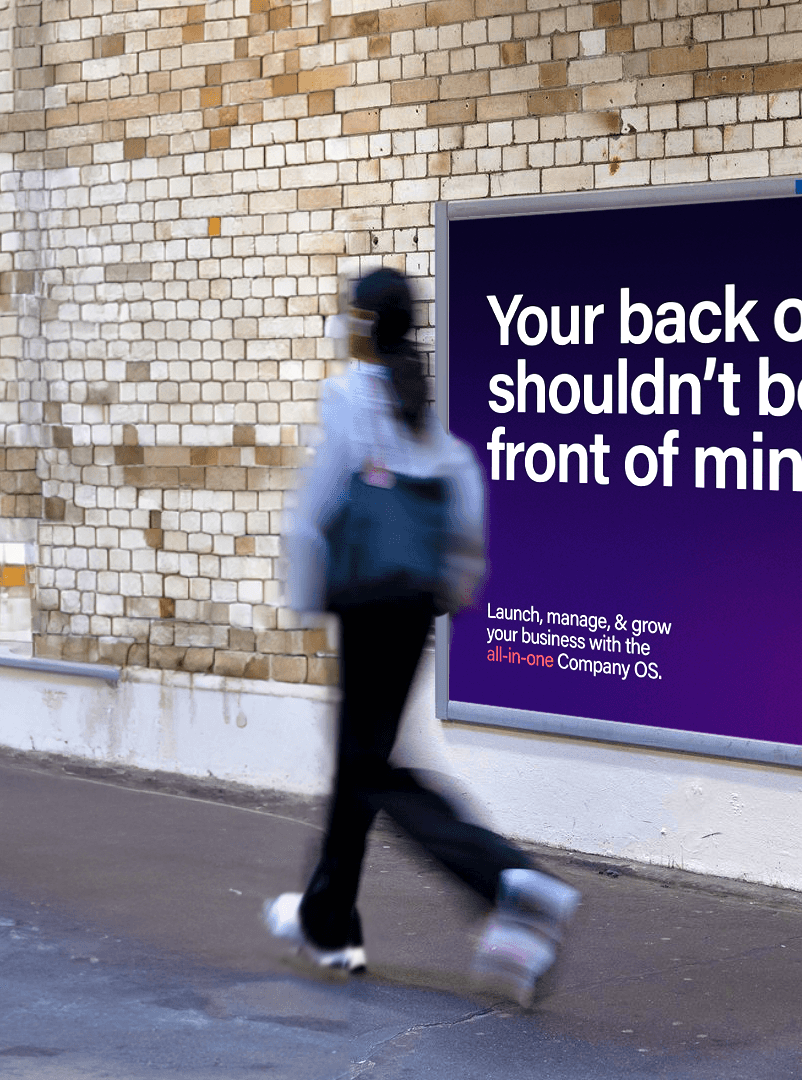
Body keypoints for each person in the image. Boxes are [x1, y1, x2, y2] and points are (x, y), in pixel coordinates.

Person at [265, 266, 579, 1005]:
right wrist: (456, 579)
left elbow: (315, 506)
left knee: (369, 766)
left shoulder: (351, 395)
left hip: (365, 599)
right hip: (413, 606)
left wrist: (306, 597)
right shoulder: (419, 405)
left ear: (368, 323)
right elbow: (463, 489)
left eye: (349, 316)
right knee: (361, 759)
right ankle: (328, 921)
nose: (341, 326)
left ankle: (510, 880)